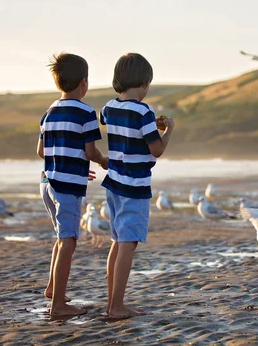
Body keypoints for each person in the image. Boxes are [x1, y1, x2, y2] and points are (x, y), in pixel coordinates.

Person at [100, 53, 175, 320]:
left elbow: (112, 122)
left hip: (114, 183)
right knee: (128, 244)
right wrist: (167, 131)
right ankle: (116, 307)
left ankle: (112, 302)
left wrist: (145, 128)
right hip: (134, 185)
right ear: (144, 83)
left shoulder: (109, 107)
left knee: (117, 242)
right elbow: (156, 150)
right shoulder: (144, 111)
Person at [37, 52, 108, 316]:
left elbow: (41, 152)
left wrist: (74, 166)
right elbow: (91, 152)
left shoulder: (49, 112)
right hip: (66, 186)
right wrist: (103, 162)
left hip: (47, 181)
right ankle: (57, 306)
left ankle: (52, 289)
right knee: (68, 240)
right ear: (84, 83)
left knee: (61, 236)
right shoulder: (86, 113)